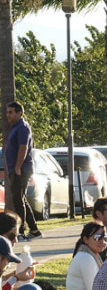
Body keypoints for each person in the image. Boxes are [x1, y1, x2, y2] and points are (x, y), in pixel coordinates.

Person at [4, 102, 41, 241]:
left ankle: (20, 232)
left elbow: (23, 148)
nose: (8, 115)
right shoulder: (15, 128)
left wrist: (18, 167)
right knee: (21, 199)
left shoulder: (22, 128)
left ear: (20, 113)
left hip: (21, 170)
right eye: (7, 112)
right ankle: (35, 230)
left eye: (11, 112)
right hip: (16, 170)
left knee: (18, 201)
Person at [66, 222, 107, 290]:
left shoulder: (89, 255)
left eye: (105, 238)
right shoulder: (86, 258)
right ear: (85, 239)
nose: (102, 242)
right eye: (97, 237)